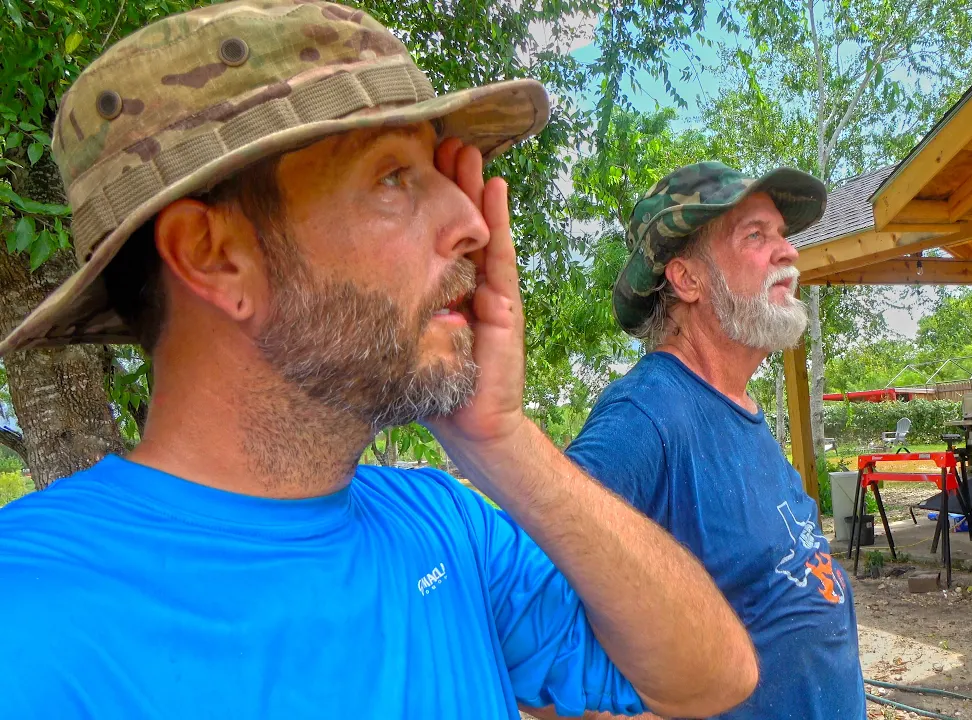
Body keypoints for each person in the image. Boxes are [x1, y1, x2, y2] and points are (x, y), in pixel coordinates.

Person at [0, 4, 758, 718]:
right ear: (214, 256)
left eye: (443, 176)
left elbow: (710, 678)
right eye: (394, 178)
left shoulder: (444, 526)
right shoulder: (33, 622)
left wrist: (502, 439)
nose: (472, 222)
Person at [565, 162, 867, 719]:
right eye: (755, 235)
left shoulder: (737, 403)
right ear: (688, 279)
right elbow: (526, 598)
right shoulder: (646, 414)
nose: (788, 252)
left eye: (781, 235)